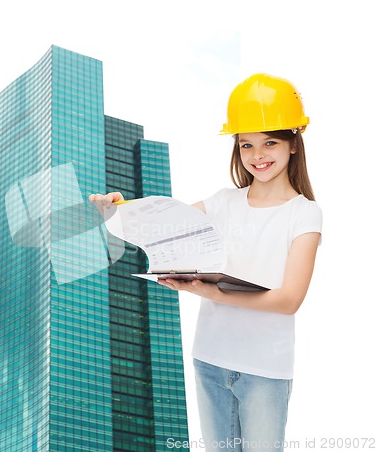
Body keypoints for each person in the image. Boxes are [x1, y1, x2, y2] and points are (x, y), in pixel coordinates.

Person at [89, 73, 322, 451]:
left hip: (265, 369)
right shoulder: (222, 203)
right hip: (210, 359)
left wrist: (208, 290)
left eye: (270, 142)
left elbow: (289, 299)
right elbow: (162, 225)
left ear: (294, 143)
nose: (257, 155)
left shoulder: (305, 214)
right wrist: (117, 211)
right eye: (246, 144)